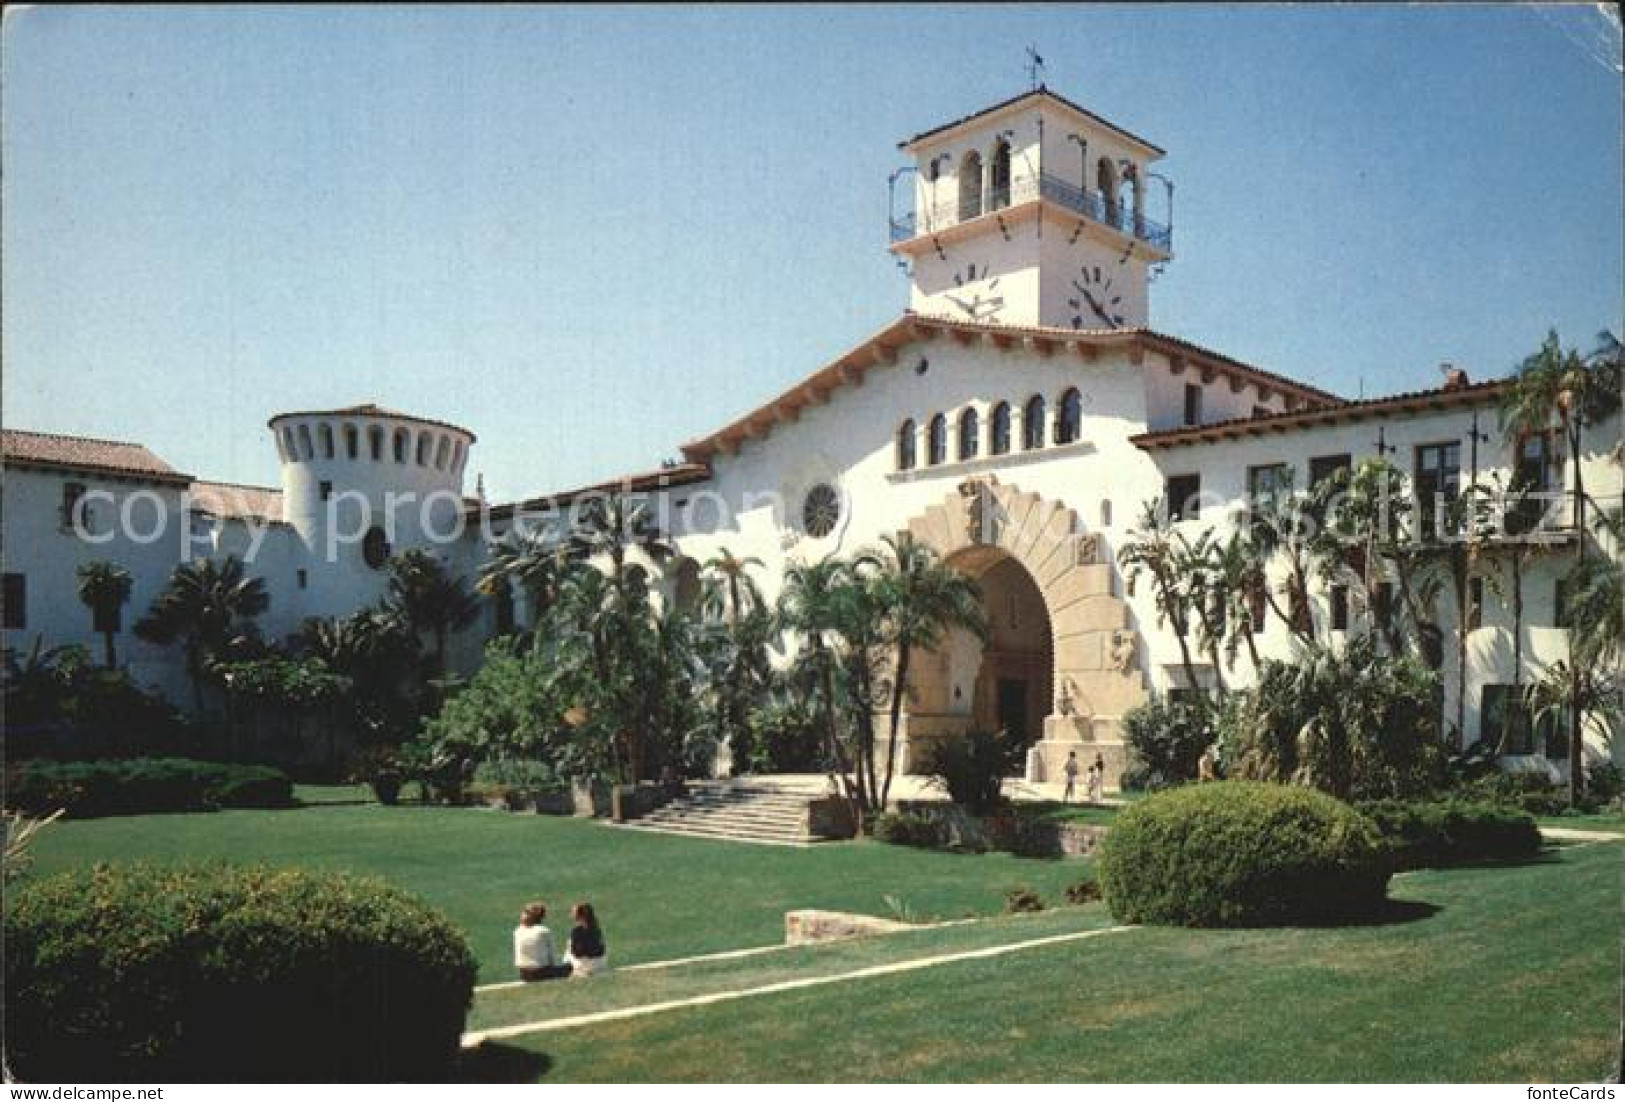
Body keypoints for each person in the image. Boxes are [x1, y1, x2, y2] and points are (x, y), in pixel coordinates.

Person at [513, 901, 568, 982]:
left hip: (524, 974)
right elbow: (553, 956)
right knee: (569, 966)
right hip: (541, 973)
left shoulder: (517, 931)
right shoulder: (544, 931)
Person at [564, 902, 608, 978]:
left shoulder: (577, 931)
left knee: (568, 951)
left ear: (580, 916)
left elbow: (577, 953)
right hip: (600, 963)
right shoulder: (597, 929)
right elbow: (602, 948)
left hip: (586, 965)